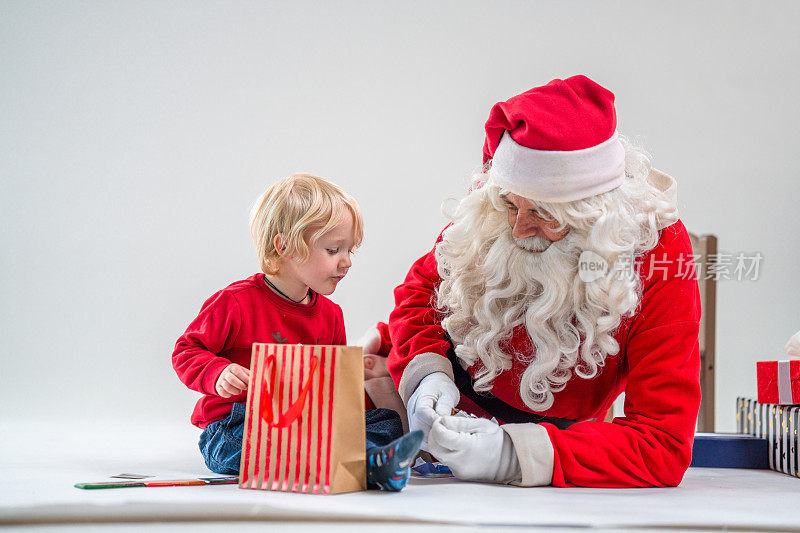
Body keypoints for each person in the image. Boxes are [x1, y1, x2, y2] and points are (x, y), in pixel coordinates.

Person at [363, 75, 701, 488]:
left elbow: (661, 443)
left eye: (543, 213)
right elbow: (419, 293)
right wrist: (426, 377)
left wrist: (513, 455)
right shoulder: (490, 213)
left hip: (554, 450)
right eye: (510, 204)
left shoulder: (657, 248)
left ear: (596, 216)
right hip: (406, 414)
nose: (519, 228)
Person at [172, 173, 422, 491]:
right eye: (334, 250)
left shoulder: (331, 315)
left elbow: (332, 389)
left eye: (350, 251)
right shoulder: (235, 302)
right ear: (285, 246)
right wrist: (217, 373)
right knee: (244, 448)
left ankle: (366, 460)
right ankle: (360, 464)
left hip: (305, 423)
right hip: (238, 419)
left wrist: (355, 401)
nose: (346, 262)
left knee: (386, 420)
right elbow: (186, 350)